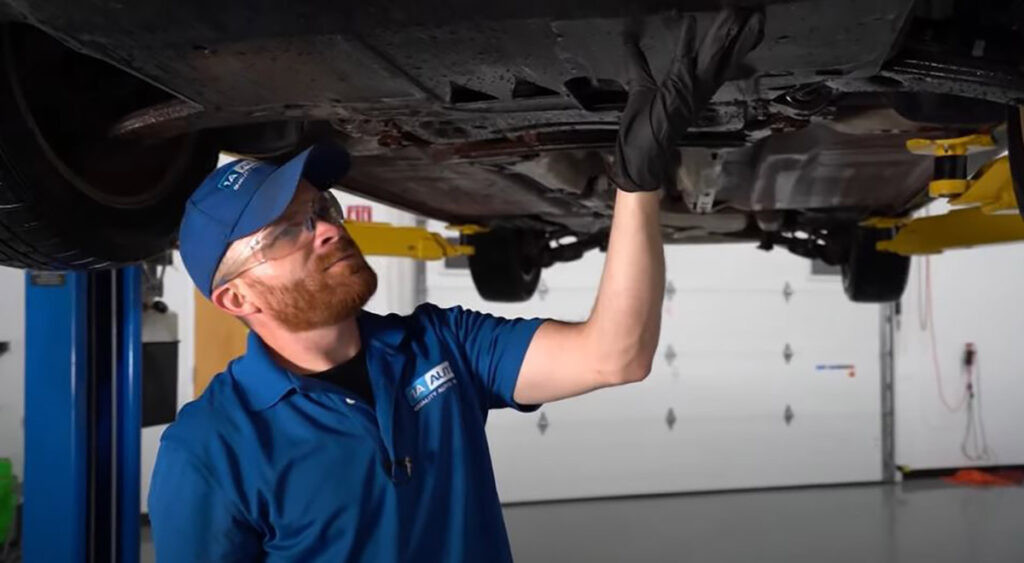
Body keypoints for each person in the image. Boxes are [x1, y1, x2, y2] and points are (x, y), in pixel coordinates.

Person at [149, 8, 763, 562]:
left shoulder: (440, 345)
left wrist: (638, 182)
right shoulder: (210, 450)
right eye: (285, 232)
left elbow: (616, 356)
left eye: (322, 210)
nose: (328, 232)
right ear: (236, 298)